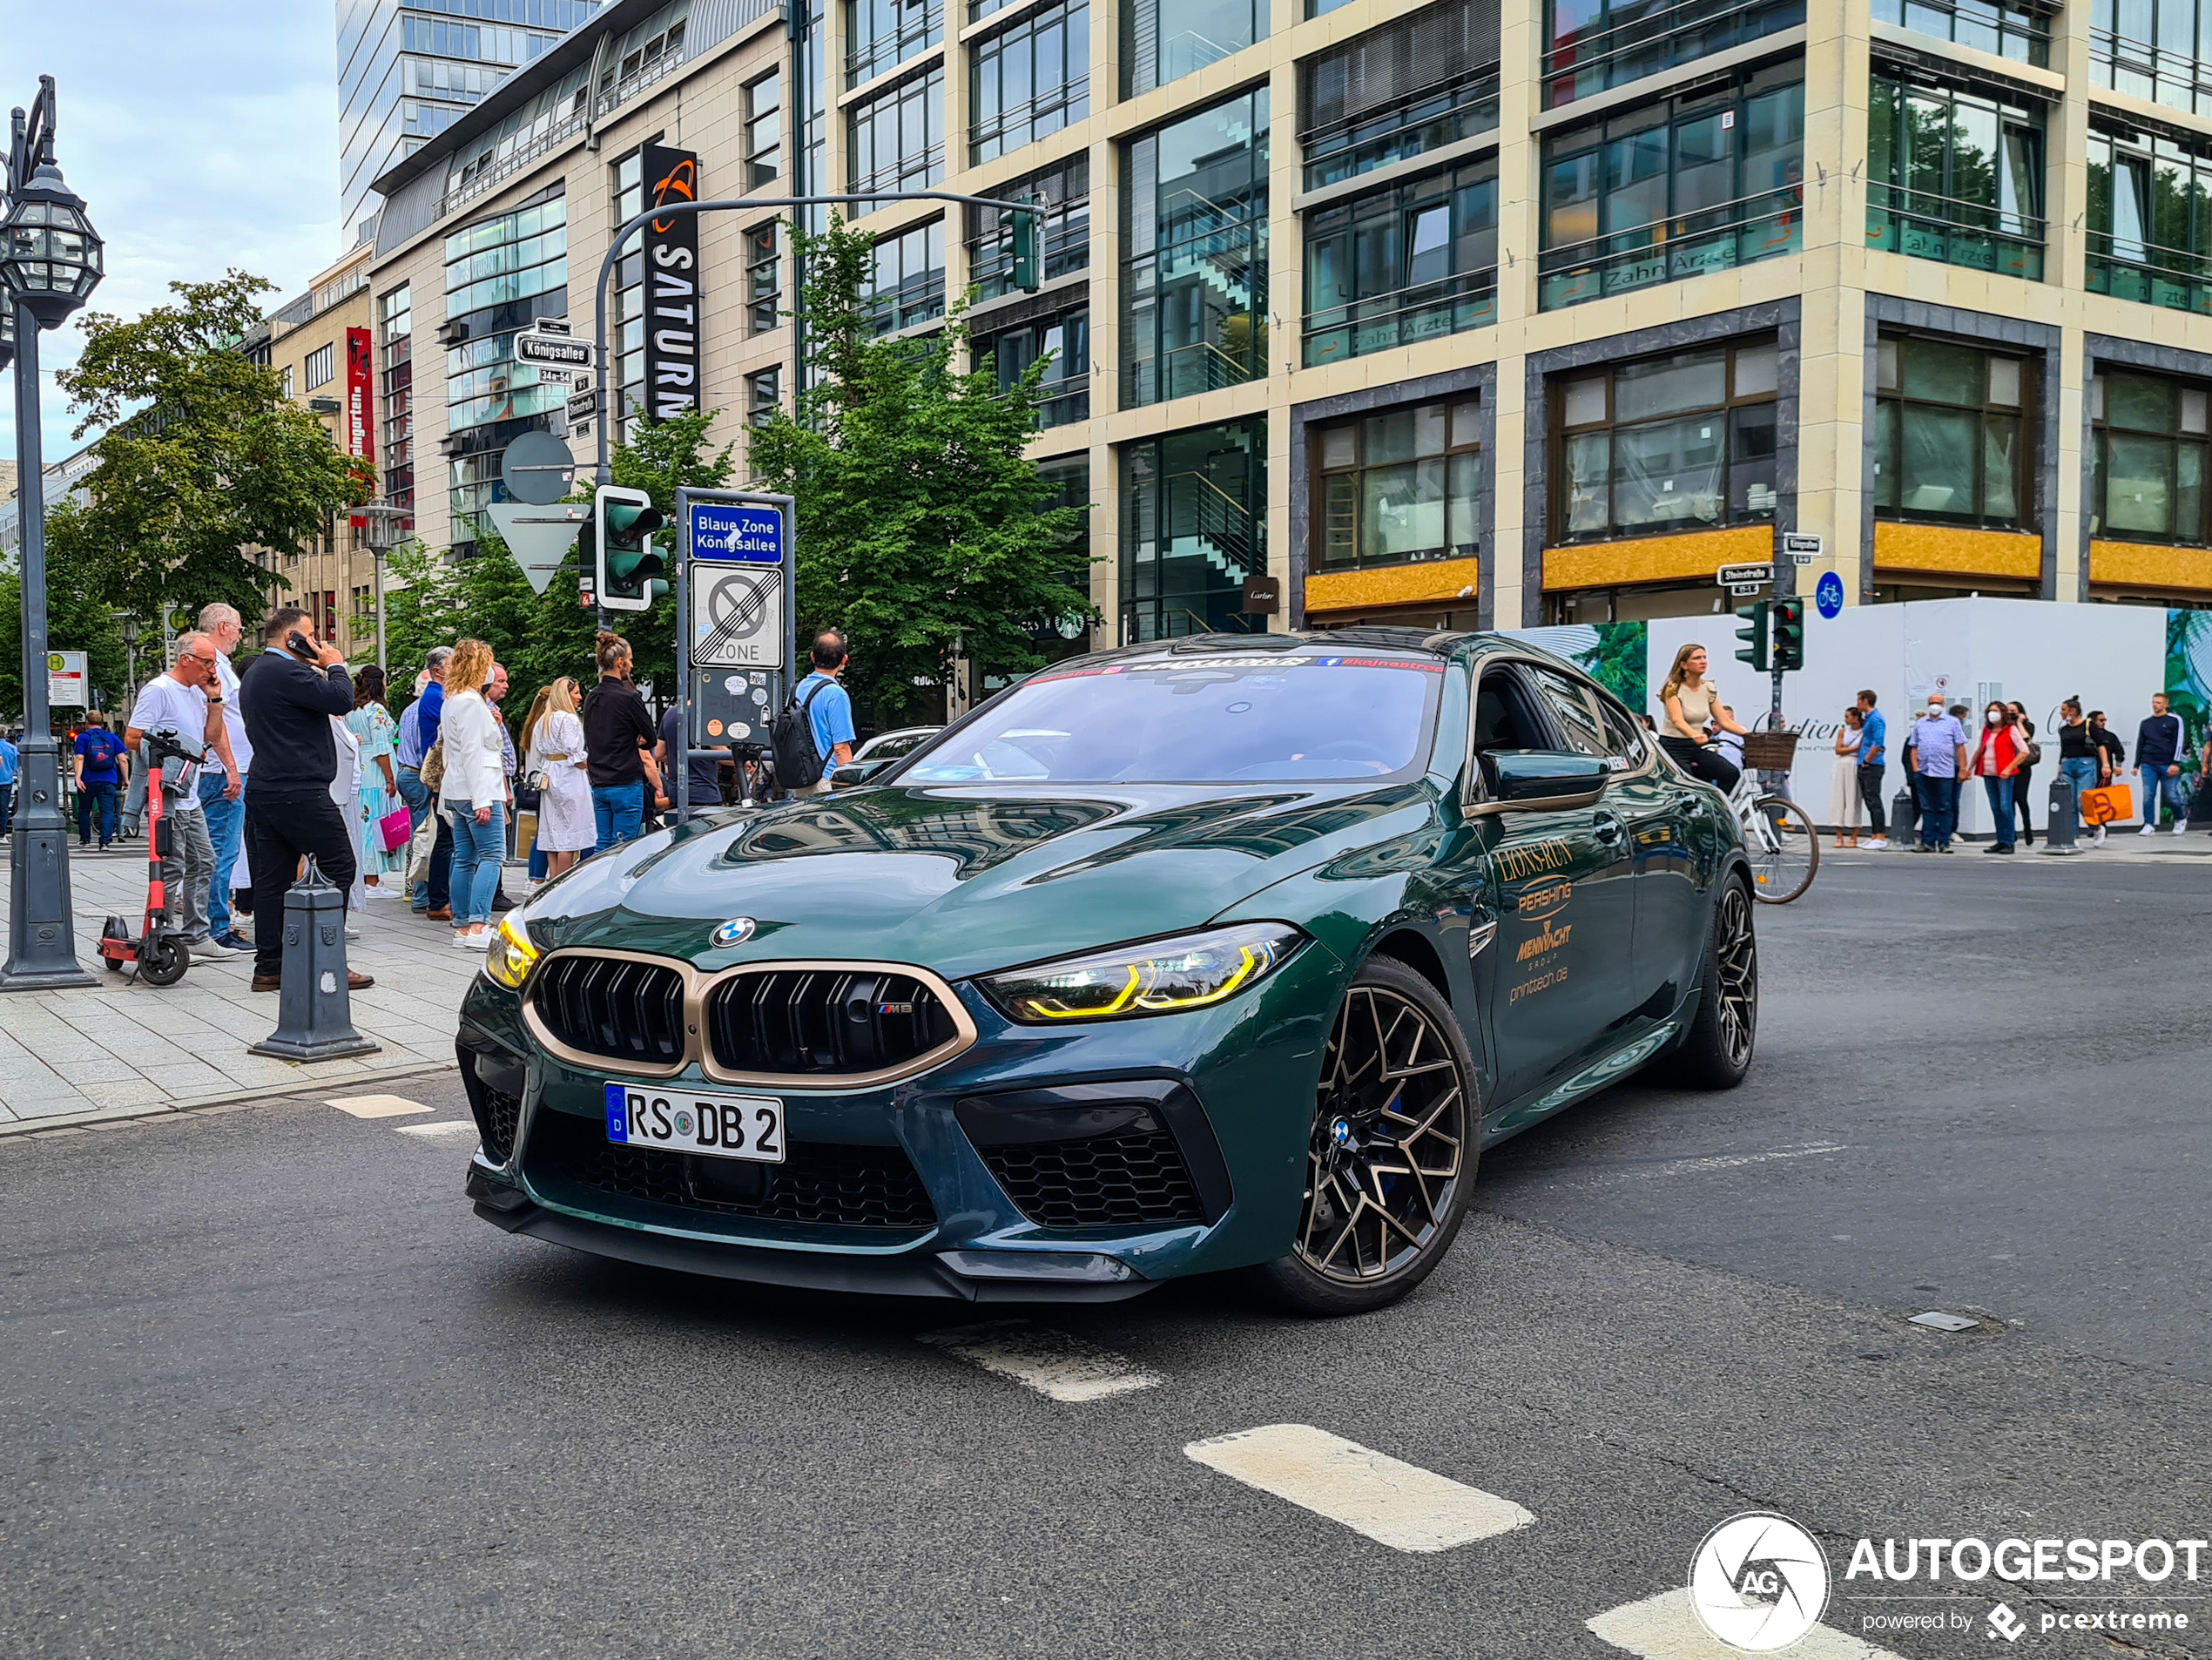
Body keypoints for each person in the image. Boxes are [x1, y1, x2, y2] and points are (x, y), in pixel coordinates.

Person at [237, 607, 372, 993]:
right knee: (340, 864)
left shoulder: (260, 672)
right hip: (299, 789)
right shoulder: (286, 671)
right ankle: (328, 961)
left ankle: (271, 967)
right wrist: (335, 665)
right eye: (311, 636)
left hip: (268, 787)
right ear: (290, 637)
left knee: (272, 877)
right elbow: (341, 699)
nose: (318, 643)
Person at [125, 635, 231, 961]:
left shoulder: (195, 693)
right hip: (167, 795)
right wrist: (171, 751)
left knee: (204, 861)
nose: (211, 669)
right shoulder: (159, 690)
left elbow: (209, 739)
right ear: (185, 659)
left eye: (213, 662)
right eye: (206, 662)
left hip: (190, 795)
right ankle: (161, 934)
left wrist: (214, 700)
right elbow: (132, 737)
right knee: (170, 867)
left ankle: (195, 933)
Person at [436, 639, 507, 948]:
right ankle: (479, 925)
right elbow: (473, 752)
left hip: (457, 788)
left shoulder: (453, 699)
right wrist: (482, 800)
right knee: (492, 856)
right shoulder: (469, 702)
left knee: (464, 857)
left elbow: (454, 750)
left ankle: (465, 925)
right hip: (478, 789)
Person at [195, 603, 254, 950]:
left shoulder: (217, 664)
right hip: (223, 771)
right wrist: (231, 767)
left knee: (215, 849)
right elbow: (216, 723)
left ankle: (211, 921)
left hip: (223, 768)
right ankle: (216, 926)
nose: (241, 634)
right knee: (220, 850)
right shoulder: (213, 664)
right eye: (238, 628)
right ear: (222, 626)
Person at [583, 631, 663, 851]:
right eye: (629, 659)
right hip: (625, 780)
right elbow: (651, 737)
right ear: (620, 663)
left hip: (599, 781)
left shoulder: (591, 697)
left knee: (602, 845)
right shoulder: (629, 698)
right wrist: (638, 741)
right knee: (623, 847)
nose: (631, 665)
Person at [395, 645, 453, 917]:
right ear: (438, 671)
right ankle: (421, 894)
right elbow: (429, 746)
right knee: (428, 835)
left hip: (407, 772)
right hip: (420, 774)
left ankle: (415, 889)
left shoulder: (409, 710)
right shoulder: (435, 702)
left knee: (420, 833)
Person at [523, 676, 594, 879]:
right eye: (576, 693)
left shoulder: (543, 721)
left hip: (550, 774)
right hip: (569, 776)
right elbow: (575, 753)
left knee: (553, 835)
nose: (579, 697)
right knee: (570, 837)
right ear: (566, 695)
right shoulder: (568, 719)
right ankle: (562, 883)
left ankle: (552, 882)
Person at [1656, 643, 1747, 793]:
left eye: (1705, 657)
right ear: (1684, 664)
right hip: (1672, 746)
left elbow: (1724, 721)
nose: (1703, 661)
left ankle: (1719, 812)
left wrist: (1748, 735)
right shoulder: (1673, 689)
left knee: (1730, 773)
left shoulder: (1708, 689)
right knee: (1689, 788)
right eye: (1697, 658)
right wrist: (1695, 734)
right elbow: (1677, 720)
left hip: (1696, 747)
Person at [347, 666, 405, 888]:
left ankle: (363, 877)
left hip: (359, 771)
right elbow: (382, 747)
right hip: (376, 773)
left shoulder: (352, 711)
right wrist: (390, 778)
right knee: (376, 824)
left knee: (363, 825)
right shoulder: (376, 710)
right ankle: (372, 879)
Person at [793, 631, 859, 795]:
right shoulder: (836, 694)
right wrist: (849, 787)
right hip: (825, 780)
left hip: (800, 776)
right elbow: (841, 748)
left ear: (812, 657)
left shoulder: (796, 690)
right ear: (844, 660)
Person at [1905, 695, 1970, 853]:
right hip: (1925, 771)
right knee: (1927, 808)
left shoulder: (1952, 722)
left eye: (1938, 703)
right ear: (1928, 705)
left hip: (1945, 772)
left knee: (1945, 807)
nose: (1935, 706)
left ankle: (1943, 842)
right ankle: (1927, 842)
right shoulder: (1921, 723)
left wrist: (1962, 769)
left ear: (1943, 705)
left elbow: (1960, 747)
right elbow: (1913, 746)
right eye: (1932, 703)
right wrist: (1916, 769)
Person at [1971, 700, 2027, 854]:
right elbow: (1980, 750)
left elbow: (2024, 751)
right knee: (1995, 808)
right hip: (1989, 774)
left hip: (2004, 775)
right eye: (1989, 711)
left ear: (2003, 713)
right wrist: (1970, 768)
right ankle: (2001, 840)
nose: (1991, 714)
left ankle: (2009, 841)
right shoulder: (1986, 731)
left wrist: (2009, 767)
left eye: (1995, 710)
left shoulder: (2011, 730)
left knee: (2005, 807)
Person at [71, 712, 128, 850]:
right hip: (108, 780)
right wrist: (126, 779)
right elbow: (123, 759)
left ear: (87, 722)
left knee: (84, 809)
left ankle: (85, 839)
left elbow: (79, 758)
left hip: (87, 780)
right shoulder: (111, 737)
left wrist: (78, 778)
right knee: (107, 811)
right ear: (102, 722)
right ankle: (104, 842)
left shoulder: (83, 738)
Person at [657, 698, 724, 813]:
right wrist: (745, 760)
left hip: (677, 794)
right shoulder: (704, 715)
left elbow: (658, 754)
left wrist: (679, 757)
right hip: (704, 792)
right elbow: (721, 753)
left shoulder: (670, 714)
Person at [2136, 692, 2189, 836]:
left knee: (2171, 795)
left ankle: (2180, 818)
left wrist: (2175, 763)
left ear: (2166, 704)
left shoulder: (2174, 720)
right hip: (2148, 763)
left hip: (2167, 763)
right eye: (2154, 702)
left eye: (2159, 702)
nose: (2155, 705)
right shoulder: (2146, 723)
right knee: (2148, 795)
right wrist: (2136, 764)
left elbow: (2179, 742)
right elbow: (2141, 743)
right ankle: (2148, 824)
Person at [1853, 690, 1889, 849]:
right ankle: (1874, 834)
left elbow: (1878, 742)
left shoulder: (1876, 719)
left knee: (1874, 799)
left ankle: (1880, 836)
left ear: (1865, 701)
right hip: (1864, 763)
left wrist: (1867, 760)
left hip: (1872, 765)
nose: (1857, 704)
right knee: (1869, 799)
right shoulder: (1868, 718)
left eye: (1859, 701)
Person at [1829, 707, 1865, 848]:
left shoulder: (1864, 732)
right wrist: (1855, 748)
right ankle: (1839, 837)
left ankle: (1853, 837)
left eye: (1848, 716)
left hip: (1855, 764)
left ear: (1856, 718)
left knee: (1854, 799)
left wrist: (1852, 750)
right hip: (1841, 764)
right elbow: (1838, 750)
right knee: (1838, 799)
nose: (1845, 719)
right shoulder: (1843, 732)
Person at [0, 725, 17, 835]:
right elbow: (16, 767)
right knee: (3, 809)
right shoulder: (12, 749)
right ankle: (2, 833)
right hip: (6, 781)